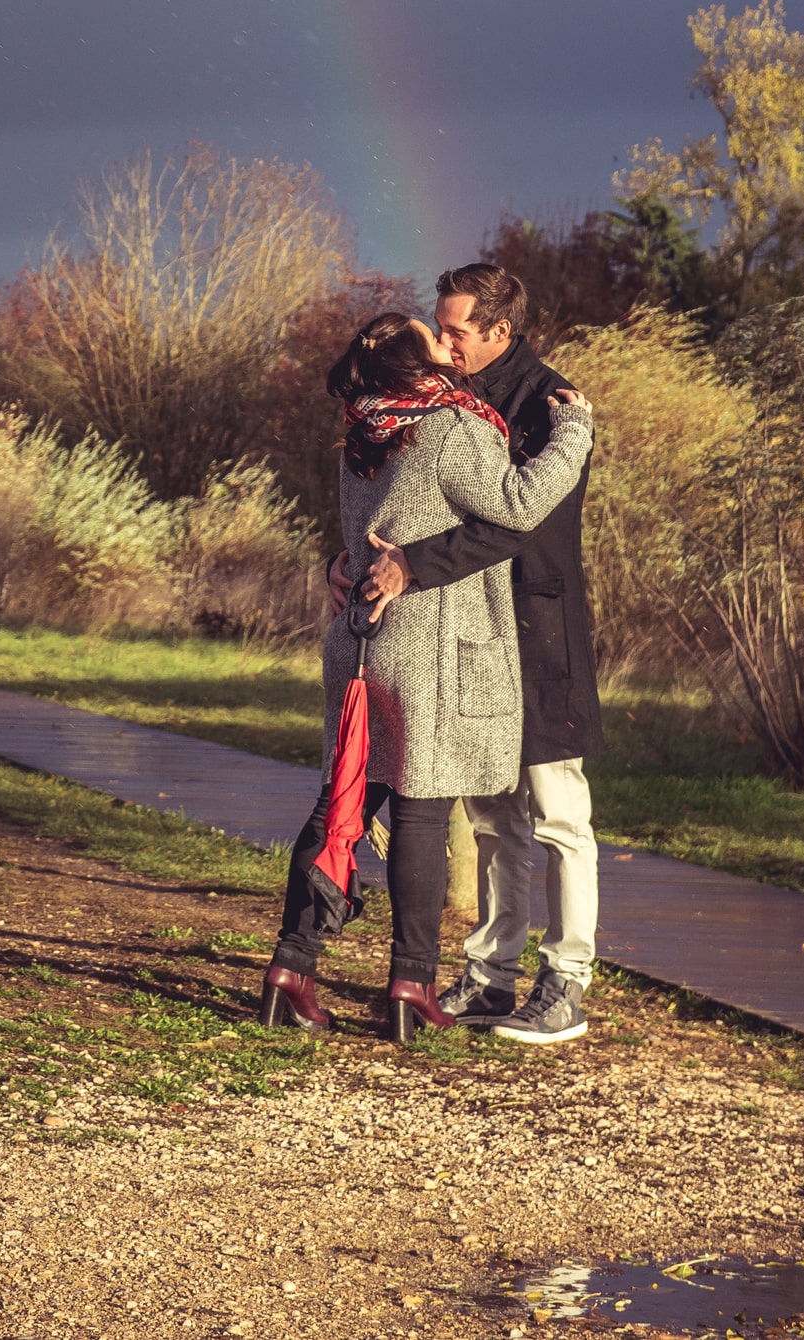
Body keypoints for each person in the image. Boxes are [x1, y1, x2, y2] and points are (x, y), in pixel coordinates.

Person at [259, 313, 593, 1041]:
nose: (450, 345)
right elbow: (518, 506)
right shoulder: (450, 427)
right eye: (436, 338)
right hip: (430, 649)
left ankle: (291, 967)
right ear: (420, 364)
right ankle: (411, 984)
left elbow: (367, 533)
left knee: (342, 803)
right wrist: (573, 436)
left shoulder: (364, 431)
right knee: (421, 815)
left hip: (360, 643)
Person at [361, 260, 603, 1048]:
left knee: (559, 812)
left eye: (457, 330)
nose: (445, 344)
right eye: (440, 327)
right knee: (493, 814)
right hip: (475, 634)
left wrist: (412, 565)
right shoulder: (446, 400)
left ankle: (565, 982)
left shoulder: (555, 405)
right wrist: (355, 557)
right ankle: (492, 974)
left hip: (540, 631)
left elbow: (516, 522)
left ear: (501, 330)